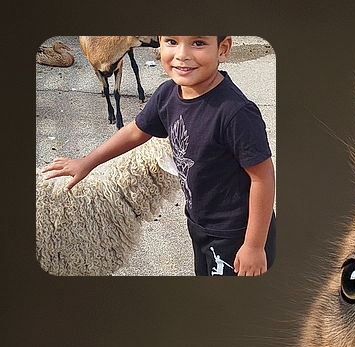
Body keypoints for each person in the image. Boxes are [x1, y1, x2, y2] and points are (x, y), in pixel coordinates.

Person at [43, 35, 276, 276]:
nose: (182, 54)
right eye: (172, 42)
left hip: (236, 231)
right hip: (199, 222)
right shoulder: (168, 94)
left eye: (198, 43)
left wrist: (254, 246)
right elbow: (136, 131)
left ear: (223, 49)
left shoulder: (236, 113)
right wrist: (87, 162)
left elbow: (263, 177)